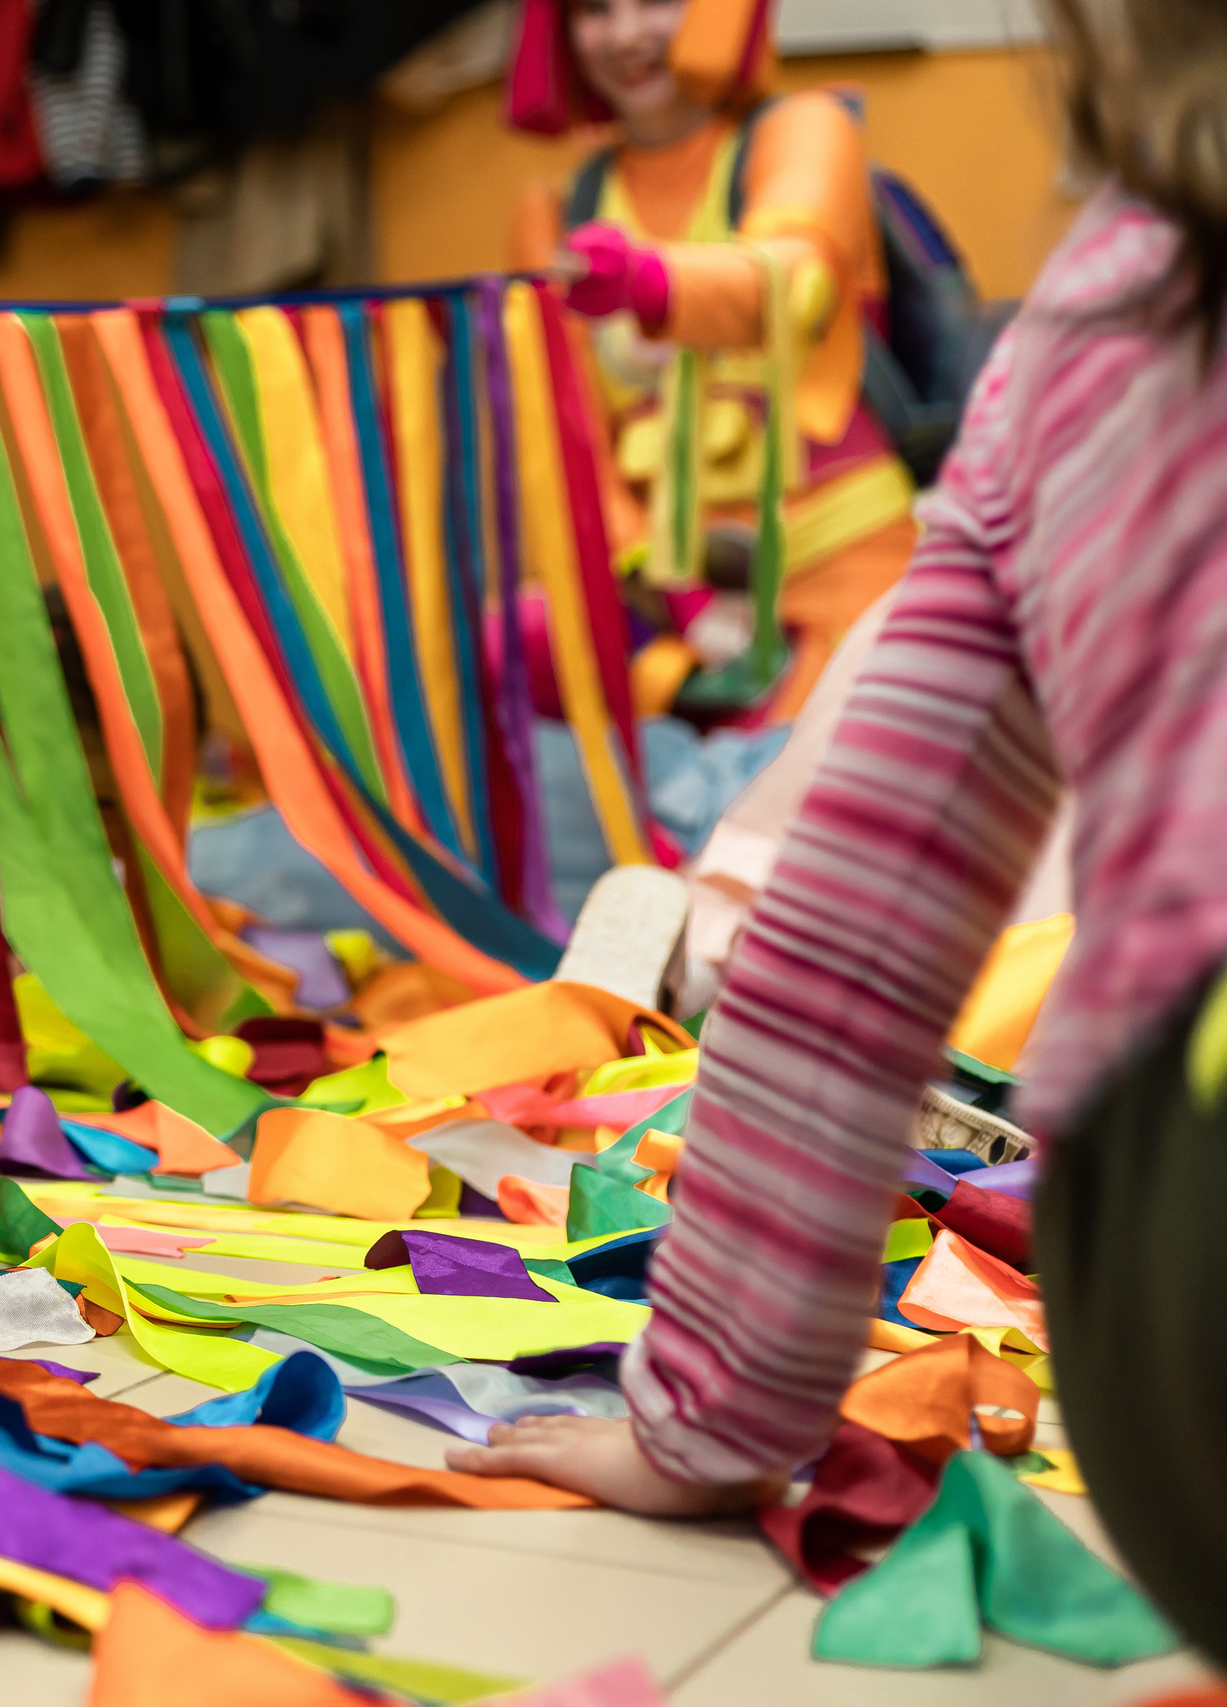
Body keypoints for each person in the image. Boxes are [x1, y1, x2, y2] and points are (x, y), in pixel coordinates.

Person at [452, 0, 1227, 1667]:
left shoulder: (1067, 286)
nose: (629, 31)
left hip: (1174, 1276)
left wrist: (710, 1414)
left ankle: (696, 905)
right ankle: (691, 902)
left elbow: (865, 922)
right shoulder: (570, 189)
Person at [507, 0, 919, 719]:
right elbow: (570, 445)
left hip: (849, 576)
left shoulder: (805, 130)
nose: (628, 35)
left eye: (658, 1)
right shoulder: (557, 215)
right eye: (596, 10)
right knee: (498, 654)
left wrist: (649, 283)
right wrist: (682, 601)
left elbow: (792, 280)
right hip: (689, 619)